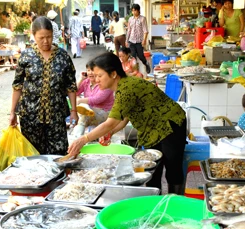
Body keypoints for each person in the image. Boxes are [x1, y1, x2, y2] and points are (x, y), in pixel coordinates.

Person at [68, 52, 187, 195]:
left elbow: (110, 122)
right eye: (95, 76)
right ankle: (155, 204)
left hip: (170, 124)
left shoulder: (127, 88)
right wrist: (110, 133)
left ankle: (176, 203)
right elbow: (124, 119)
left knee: (173, 169)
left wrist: (84, 139)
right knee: (151, 168)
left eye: (100, 76)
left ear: (113, 74)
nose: (96, 80)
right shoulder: (121, 88)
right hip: (150, 128)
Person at [9, 17, 77, 155]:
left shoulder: (63, 56)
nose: (46, 41)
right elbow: (18, 85)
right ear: (33, 36)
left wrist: (74, 110)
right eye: (41, 38)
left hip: (56, 114)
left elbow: (71, 85)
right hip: (30, 115)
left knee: (58, 154)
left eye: (49, 37)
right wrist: (12, 112)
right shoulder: (26, 56)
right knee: (33, 156)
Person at [72, 63, 115, 136]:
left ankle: (76, 138)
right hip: (90, 111)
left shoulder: (105, 82)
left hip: (104, 112)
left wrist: (79, 100)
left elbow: (97, 99)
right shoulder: (86, 81)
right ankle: (78, 137)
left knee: (84, 115)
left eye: (92, 70)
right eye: (88, 70)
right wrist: (81, 79)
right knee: (83, 112)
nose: (90, 73)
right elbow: (74, 92)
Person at [126, 4, 151, 74]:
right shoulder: (130, 19)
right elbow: (129, 30)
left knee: (140, 56)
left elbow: (145, 31)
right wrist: (126, 40)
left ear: (138, 10)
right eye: (132, 11)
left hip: (139, 41)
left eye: (135, 10)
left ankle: (146, 63)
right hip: (131, 40)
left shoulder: (143, 19)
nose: (133, 12)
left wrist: (144, 40)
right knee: (133, 56)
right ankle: (135, 71)